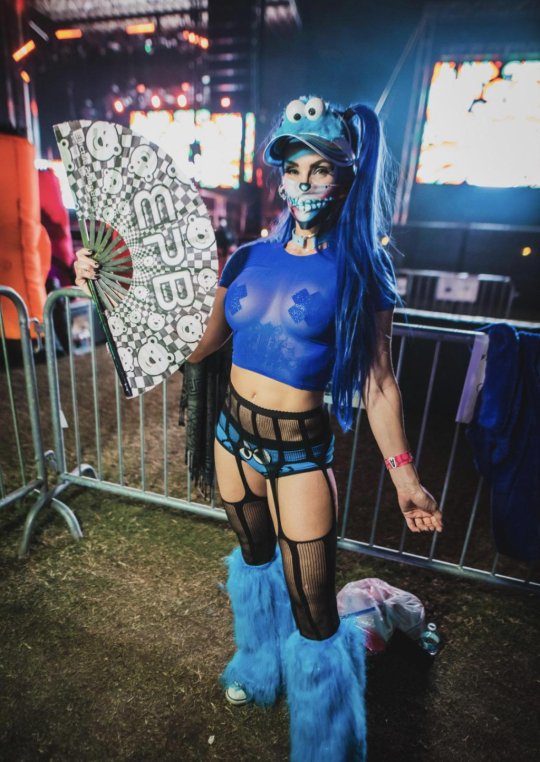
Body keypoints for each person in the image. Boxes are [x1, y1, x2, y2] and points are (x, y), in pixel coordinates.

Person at [74, 95, 443, 762]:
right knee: (254, 564)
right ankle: (258, 664)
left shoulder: (361, 268)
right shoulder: (246, 257)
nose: (304, 182)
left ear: (345, 176)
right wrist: (111, 285)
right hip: (233, 442)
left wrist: (405, 478)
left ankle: (327, 741)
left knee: (315, 607)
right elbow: (197, 346)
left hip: (300, 456)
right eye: (292, 168)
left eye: (320, 168)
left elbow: (379, 382)